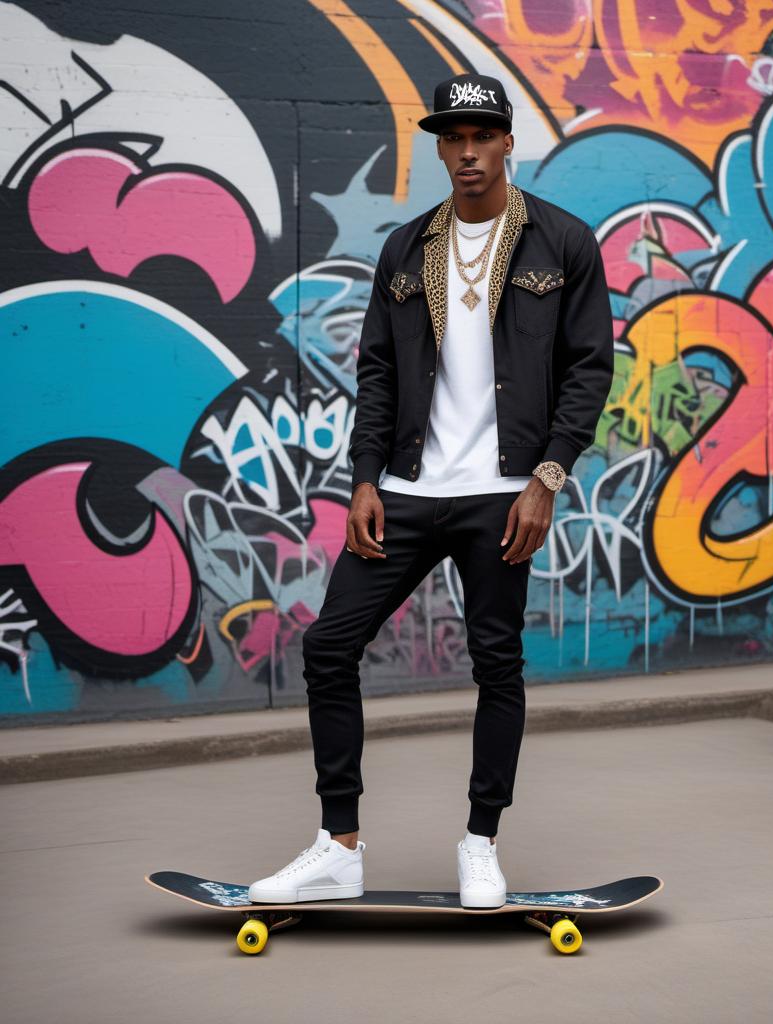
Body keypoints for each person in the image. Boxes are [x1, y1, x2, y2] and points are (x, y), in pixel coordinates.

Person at [249, 72, 613, 908]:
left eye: (483, 137)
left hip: (504, 495)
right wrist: (365, 477)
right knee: (330, 645)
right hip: (409, 489)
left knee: (497, 664)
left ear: (507, 142)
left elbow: (591, 369)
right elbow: (378, 369)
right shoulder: (407, 249)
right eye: (453, 139)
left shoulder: (563, 243)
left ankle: (481, 842)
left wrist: (546, 479)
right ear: (441, 148)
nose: (468, 153)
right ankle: (338, 846)